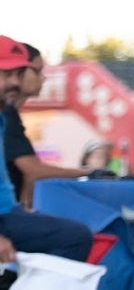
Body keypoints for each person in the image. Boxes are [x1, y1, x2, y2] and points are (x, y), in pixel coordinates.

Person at [0, 38, 94, 290]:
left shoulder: (3, 116)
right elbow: (31, 169)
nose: (14, 81)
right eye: (5, 74)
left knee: (73, 237)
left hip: (6, 211)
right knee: (73, 238)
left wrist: (21, 209)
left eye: (17, 73)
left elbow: (21, 175)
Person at [3, 43, 90, 207]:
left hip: (10, 211)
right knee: (77, 231)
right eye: (37, 71)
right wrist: (89, 173)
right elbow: (34, 171)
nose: (43, 77)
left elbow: (28, 173)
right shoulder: (6, 115)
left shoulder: (11, 115)